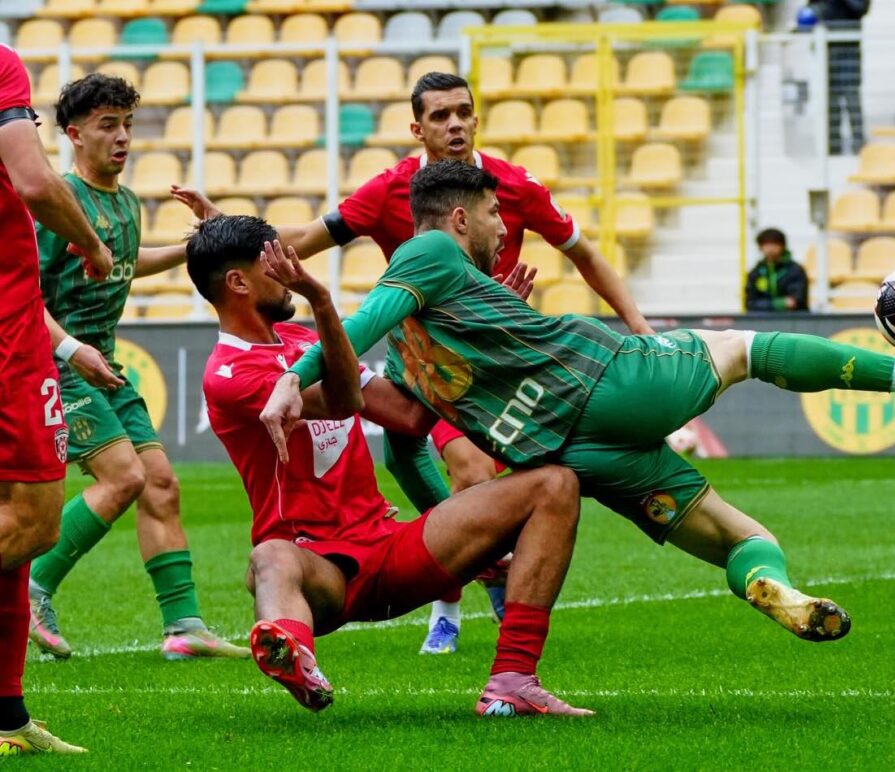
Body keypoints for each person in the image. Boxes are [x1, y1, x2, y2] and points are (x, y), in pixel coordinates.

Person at [261, 161, 895, 649]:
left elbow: (403, 434)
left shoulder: (425, 351)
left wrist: (456, 534)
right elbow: (362, 321)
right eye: (493, 214)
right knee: (742, 350)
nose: (501, 227)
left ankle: (771, 582)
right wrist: (296, 374)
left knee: (738, 535)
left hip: (570, 454)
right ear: (459, 217)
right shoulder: (427, 251)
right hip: (607, 380)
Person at [208, 71, 653, 654]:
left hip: (493, 360)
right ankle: (461, 579)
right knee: (405, 446)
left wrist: (641, 328)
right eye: (440, 116)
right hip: (422, 363)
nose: (455, 125)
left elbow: (585, 252)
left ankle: (478, 583)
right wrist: (228, 232)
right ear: (417, 128)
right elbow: (306, 240)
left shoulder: (514, 185)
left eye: (464, 112)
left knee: (475, 465)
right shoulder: (390, 189)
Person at [189, 216, 592, 717]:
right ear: (238, 282)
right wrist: (321, 300)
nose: (291, 266)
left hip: (388, 545)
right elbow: (342, 401)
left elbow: (408, 413)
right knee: (270, 558)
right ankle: (293, 653)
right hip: (319, 571)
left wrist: (479, 332)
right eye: (275, 260)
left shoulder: (298, 342)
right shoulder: (228, 374)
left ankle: (512, 681)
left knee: (554, 484)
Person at [27, 74, 247, 662]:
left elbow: (126, 261)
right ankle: (32, 588)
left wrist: (195, 245)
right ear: (73, 135)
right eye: (107, 125)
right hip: (55, 364)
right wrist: (72, 350)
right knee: (122, 478)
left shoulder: (124, 202)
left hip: (106, 364)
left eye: (127, 124)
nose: (123, 136)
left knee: (160, 485)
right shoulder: (55, 203)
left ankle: (184, 627)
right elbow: (22, 297)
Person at [0, 43, 114, 756]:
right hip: (6, 333)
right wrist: (92, 240)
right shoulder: (1, 64)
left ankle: (8, 717)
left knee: (11, 538)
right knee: (36, 523)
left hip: (22, 325)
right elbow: (37, 182)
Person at [802, 1, 870, 155]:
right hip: (827, 47)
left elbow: (861, 8)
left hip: (849, 47)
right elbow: (812, 9)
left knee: (851, 96)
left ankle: (859, 145)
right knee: (830, 99)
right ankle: (833, 147)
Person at [744, 228, 808, 312]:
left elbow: (796, 301)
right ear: (760, 247)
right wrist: (779, 303)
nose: (770, 249)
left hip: (792, 321)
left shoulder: (795, 270)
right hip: (763, 321)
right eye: (766, 245)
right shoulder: (755, 273)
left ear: (783, 246)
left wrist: (763, 304)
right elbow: (750, 304)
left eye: (774, 244)